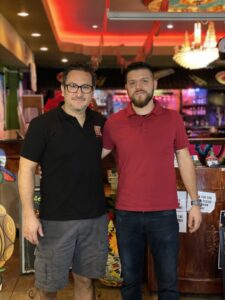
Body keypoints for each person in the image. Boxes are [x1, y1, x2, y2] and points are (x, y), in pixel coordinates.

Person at [102, 61, 202, 300]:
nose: (139, 87)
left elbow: (185, 159)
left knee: (168, 282)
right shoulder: (114, 123)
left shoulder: (173, 119)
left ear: (154, 85)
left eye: (144, 81)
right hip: (127, 213)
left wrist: (195, 203)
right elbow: (94, 156)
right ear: (126, 87)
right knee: (130, 282)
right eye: (133, 82)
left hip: (165, 213)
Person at [18, 63, 108, 300]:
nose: (79, 92)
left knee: (85, 279)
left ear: (92, 91)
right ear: (63, 88)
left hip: (94, 218)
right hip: (55, 220)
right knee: (48, 286)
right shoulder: (42, 125)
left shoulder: (100, 123)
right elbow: (25, 169)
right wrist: (28, 214)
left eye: (85, 87)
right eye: (73, 86)